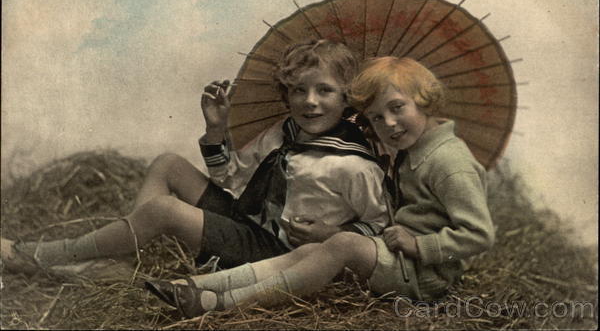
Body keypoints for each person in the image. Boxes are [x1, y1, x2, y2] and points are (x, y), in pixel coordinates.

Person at [0, 40, 389, 276]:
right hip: (248, 223)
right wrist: (217, 131)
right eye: (299, 90)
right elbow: (233, 182)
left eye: (325, 90)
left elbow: (381, 226)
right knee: (168, 163)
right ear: (286, 93)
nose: (309, 101)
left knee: (163, 212)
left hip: (277, 253)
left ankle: (38, 256)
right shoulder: (283, 133)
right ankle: (122, 259)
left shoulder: (356, 164)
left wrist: (331, 235)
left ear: (347, 97)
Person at [145, 56, 495, 318]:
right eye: (375, 117)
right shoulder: (412, 149)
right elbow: (234, 176)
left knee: (339, 243)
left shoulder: (450, 163)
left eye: (397, 108)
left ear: (424, 99)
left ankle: (226, 304)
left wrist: (420, 245)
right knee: (311, 253)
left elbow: (479, 235)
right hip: (396, 254)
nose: (388, 123)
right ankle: (198, 288)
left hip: (422, 274)